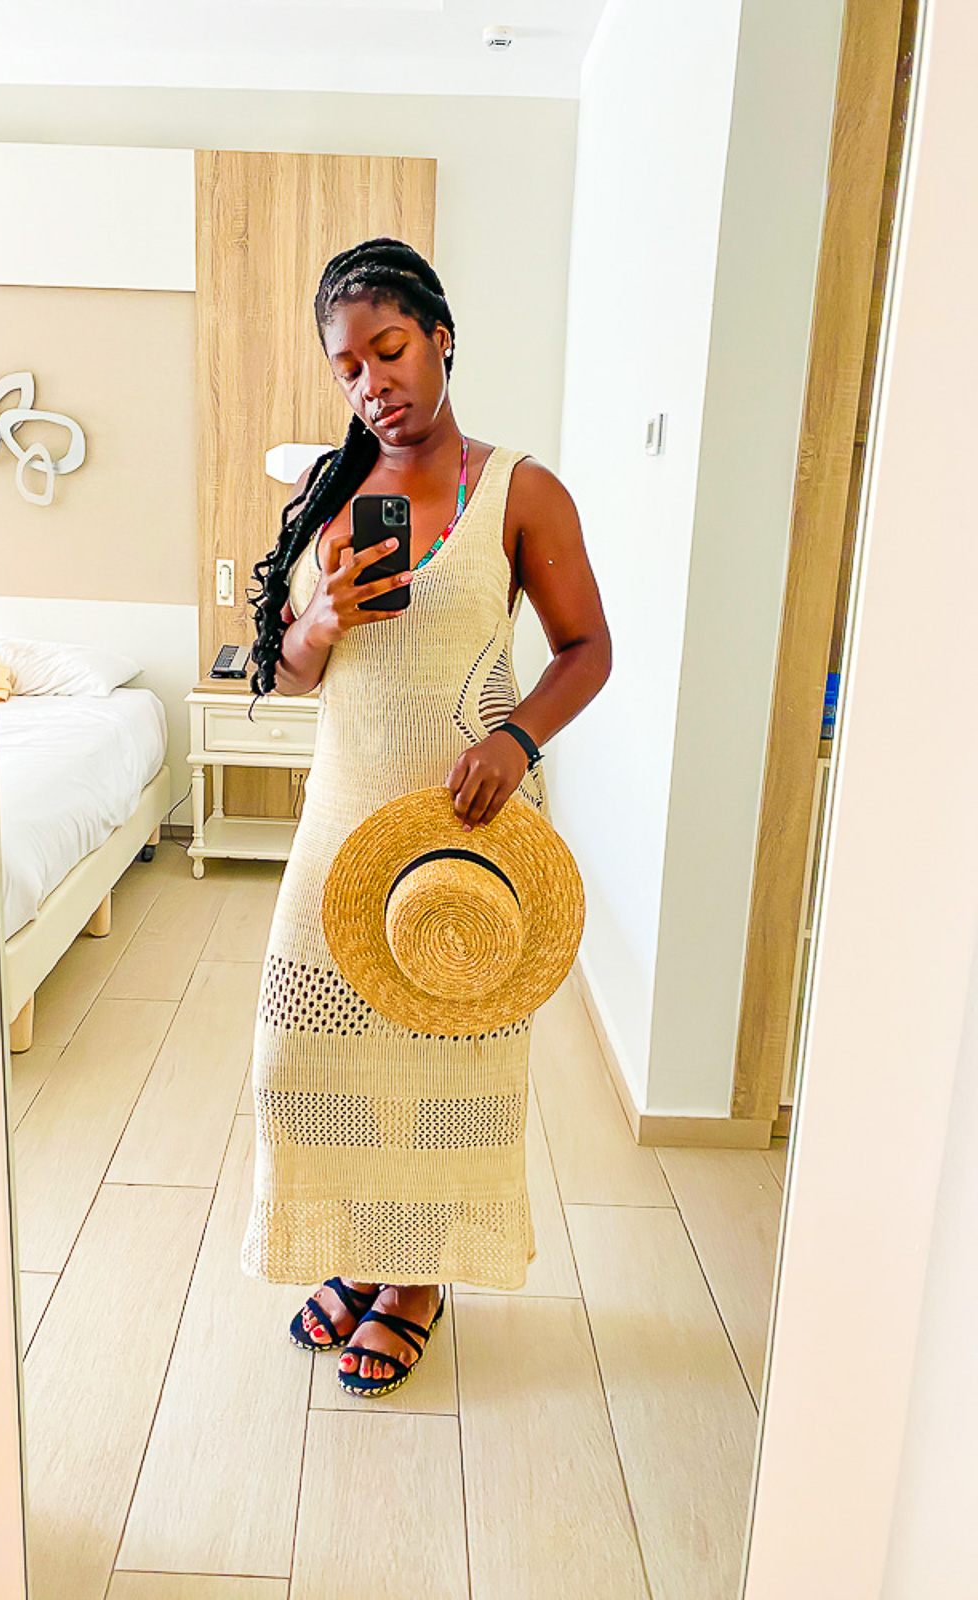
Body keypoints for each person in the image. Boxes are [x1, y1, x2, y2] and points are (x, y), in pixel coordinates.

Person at [240, 236, 611, 1397]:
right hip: (342, 815)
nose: (371, 383)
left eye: (389, 350)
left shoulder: (520, 490)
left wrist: (516, 737)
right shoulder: (326, 496)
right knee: (303, 1052)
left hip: (467, 824)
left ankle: (416, 1278)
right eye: (347, 368)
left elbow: (587, 650)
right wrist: (320, 622)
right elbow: (284, 673)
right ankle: (358, 1246)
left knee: (446, 1064)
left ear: (440, 337)